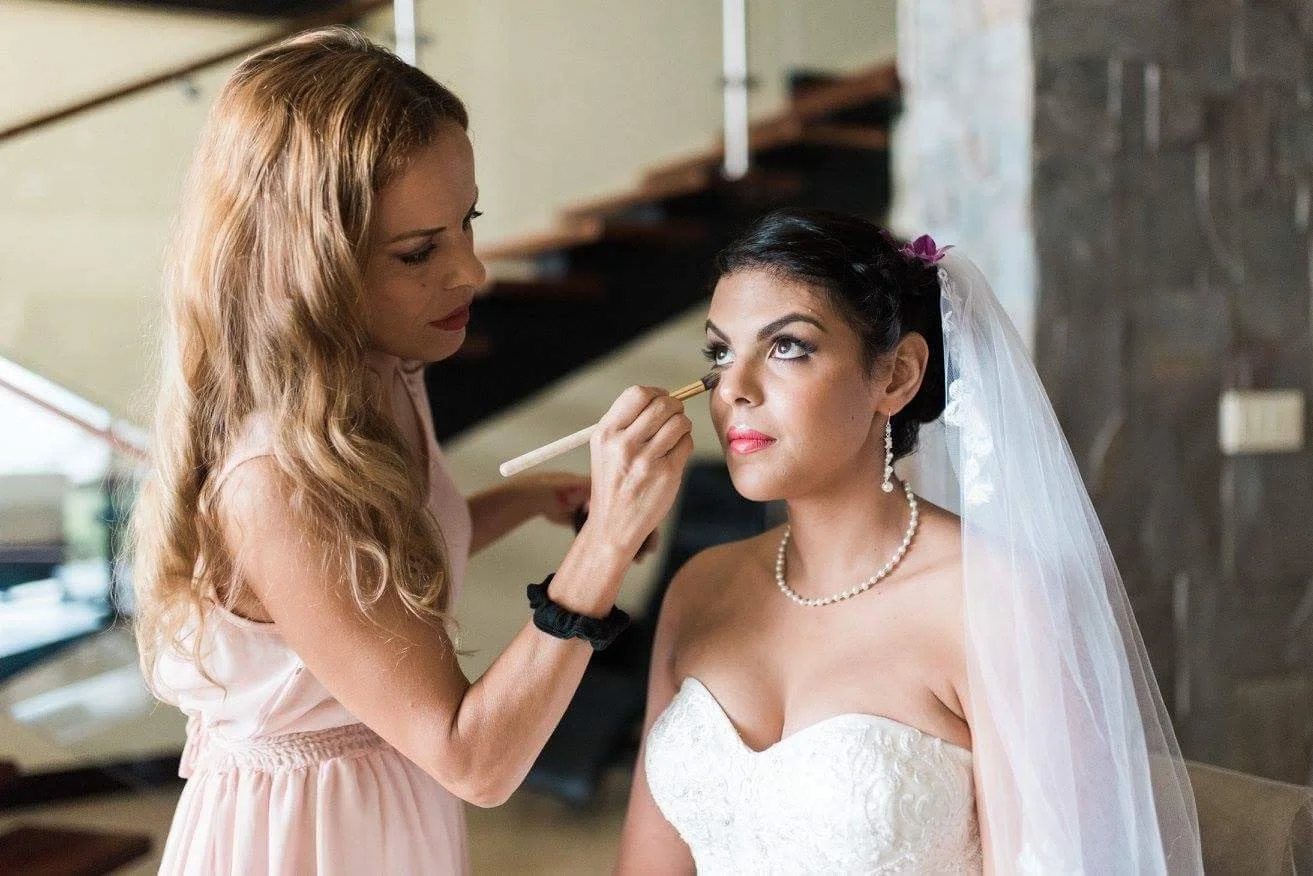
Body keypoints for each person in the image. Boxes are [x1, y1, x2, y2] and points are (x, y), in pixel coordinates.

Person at [130, 27, 692, 875]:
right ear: (306, 265)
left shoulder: (386, 368)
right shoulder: (275, 482)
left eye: (467, 224)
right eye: (420, 251)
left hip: (392, 804)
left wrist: (537, 499)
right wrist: (604, 544)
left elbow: (383, 567)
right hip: (308, 840)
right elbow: (475, 760)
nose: (472, 273)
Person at [617, 209, 1203, 874]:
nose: (734, 392)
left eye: (786, 347)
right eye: (720, 353)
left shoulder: (997, 602)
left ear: (895, 376)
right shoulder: (701, 586)